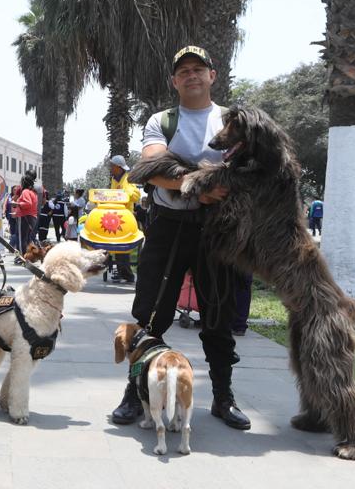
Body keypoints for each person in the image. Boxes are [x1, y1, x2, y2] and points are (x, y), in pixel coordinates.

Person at [112, 45, 251, 431]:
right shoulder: (162, 120)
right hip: (169, 227)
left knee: (218, 317)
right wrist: (202, 185)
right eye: (183, 71)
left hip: (218, 232)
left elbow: (245, 171)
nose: (192, 75)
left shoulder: (232, 119)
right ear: (174, 81)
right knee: (150, 315)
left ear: (213, 75)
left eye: (198, 69)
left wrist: (185, 178)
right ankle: (135, 394)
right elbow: (150, 169)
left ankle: (223, 397)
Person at [108, 154, 140, 283]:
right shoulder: (114, 179)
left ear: (118, 167)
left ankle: (127, 274)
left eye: (112, 165)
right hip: (115, 216)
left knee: (123, 247)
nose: (110, 167)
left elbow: (135, 195)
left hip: (126, 217)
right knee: (117, 246)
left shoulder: (128, 179)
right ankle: (122, 271)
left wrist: (124, 194)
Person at [14, 171, 39, 263]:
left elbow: (28, 204)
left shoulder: (25, 192)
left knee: (21, 239)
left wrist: (17, 204)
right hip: (31, 217)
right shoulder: (33, 192)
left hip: (24, 217)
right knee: (27, 239)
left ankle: (21, 258)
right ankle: (30, 257)